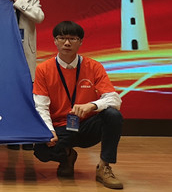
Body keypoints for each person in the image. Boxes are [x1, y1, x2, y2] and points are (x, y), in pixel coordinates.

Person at [33, 21, 124, 189]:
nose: (67, 43)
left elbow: (114, 99)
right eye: (62, 38)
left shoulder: (94, 66)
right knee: (41, 151)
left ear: (80, 41)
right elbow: (41, 106)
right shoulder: (43, 69)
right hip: (60, 126)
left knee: (113, 115)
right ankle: (67, 155)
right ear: (55, 41)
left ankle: (104, 167)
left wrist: (92, 105)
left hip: (86, 125)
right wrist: (49, 130)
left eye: (73, 39)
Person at [0, 0, 45, 80]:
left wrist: (18, 2)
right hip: (4, 44)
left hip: (25, 45)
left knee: (26, 79)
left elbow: (39, 17)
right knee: (5, 78)